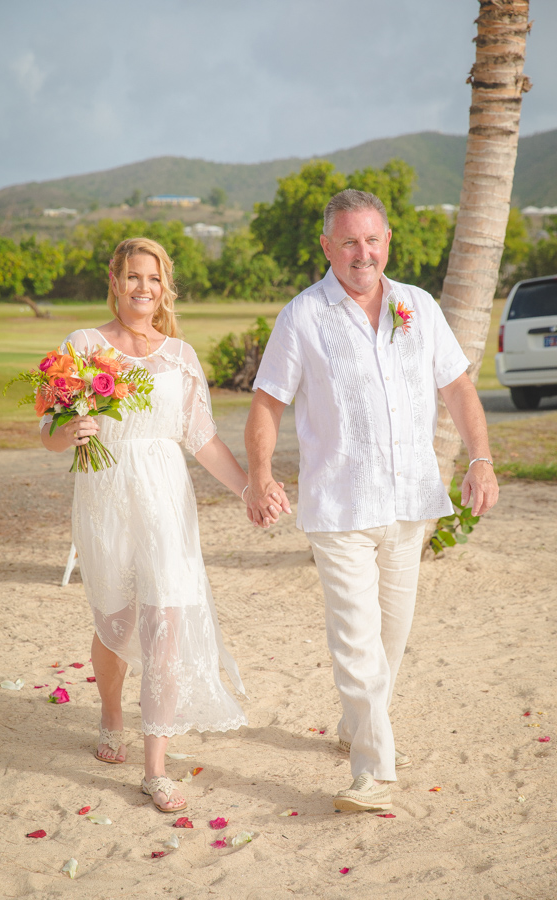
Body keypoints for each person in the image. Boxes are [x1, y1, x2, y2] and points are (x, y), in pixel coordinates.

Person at [244, 189, 499, 813]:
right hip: (340, 507)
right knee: (356, 637)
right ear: (327, 246)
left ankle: (359, 724)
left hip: (410, 500)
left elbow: (458, 386)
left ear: (388, 242)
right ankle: (372, 771)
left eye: (373, 240)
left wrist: (481, 457)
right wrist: (259, 475)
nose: (364, 253)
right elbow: (266, 403)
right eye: (350, 241)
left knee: (392, 635)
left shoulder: (420, 305)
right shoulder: (301, 317)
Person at [41, 237, 249, 814]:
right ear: (115, 281)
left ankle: (155, 770)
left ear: (165, 287)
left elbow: (202, 440)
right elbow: (49, 432)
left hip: (165, 501)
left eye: (153, 279)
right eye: (133, 277)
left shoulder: (181, 356)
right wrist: (69, 432)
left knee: (166, 626)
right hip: (105, 498)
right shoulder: (83, 346)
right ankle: (112, 712)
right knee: (115, 622)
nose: (143, 288)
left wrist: (250, 488)